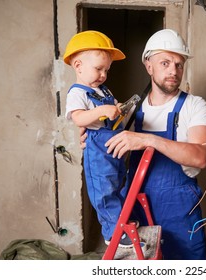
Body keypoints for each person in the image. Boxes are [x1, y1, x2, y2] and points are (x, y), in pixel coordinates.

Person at [104, 29, 206, 259]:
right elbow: (105, 147)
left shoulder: (195, 106)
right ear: (148, 65)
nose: (173, 71)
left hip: (181, 213)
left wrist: (147, 139)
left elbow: (200, 156)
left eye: (179, 64)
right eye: (165, 63)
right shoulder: (130, 110)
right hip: (136, 208)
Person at [63, 30, 133, 248]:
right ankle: (113, 232)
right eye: (98, 69)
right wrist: (102, 110)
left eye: (107, 70)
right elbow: (79, 118)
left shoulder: (103, 89)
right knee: (104, 190)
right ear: (78, 66)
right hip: (97, 146)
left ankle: (122, 221)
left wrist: (119, 108)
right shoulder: (77, 93)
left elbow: (112, 107)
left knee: (119, 181)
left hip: (113, 143)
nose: (103, 74)